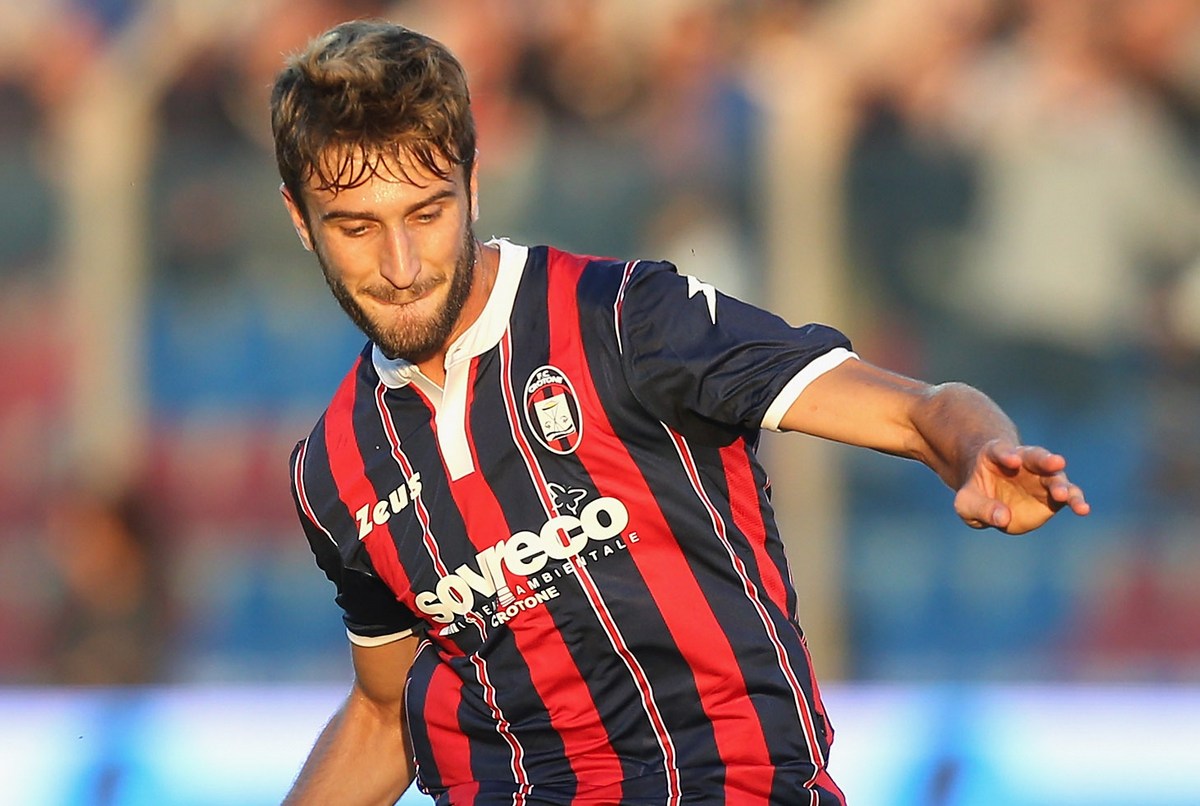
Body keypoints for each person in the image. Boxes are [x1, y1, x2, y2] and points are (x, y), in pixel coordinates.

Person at [271, 19, 1089, 806]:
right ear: (300, 221)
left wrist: (979, 447)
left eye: (426, 213)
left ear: (473, 185)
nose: (402, 265)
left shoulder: (625, 318)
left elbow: (916, 412)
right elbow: (387, 712)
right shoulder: (333, 469)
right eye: (357, 228)